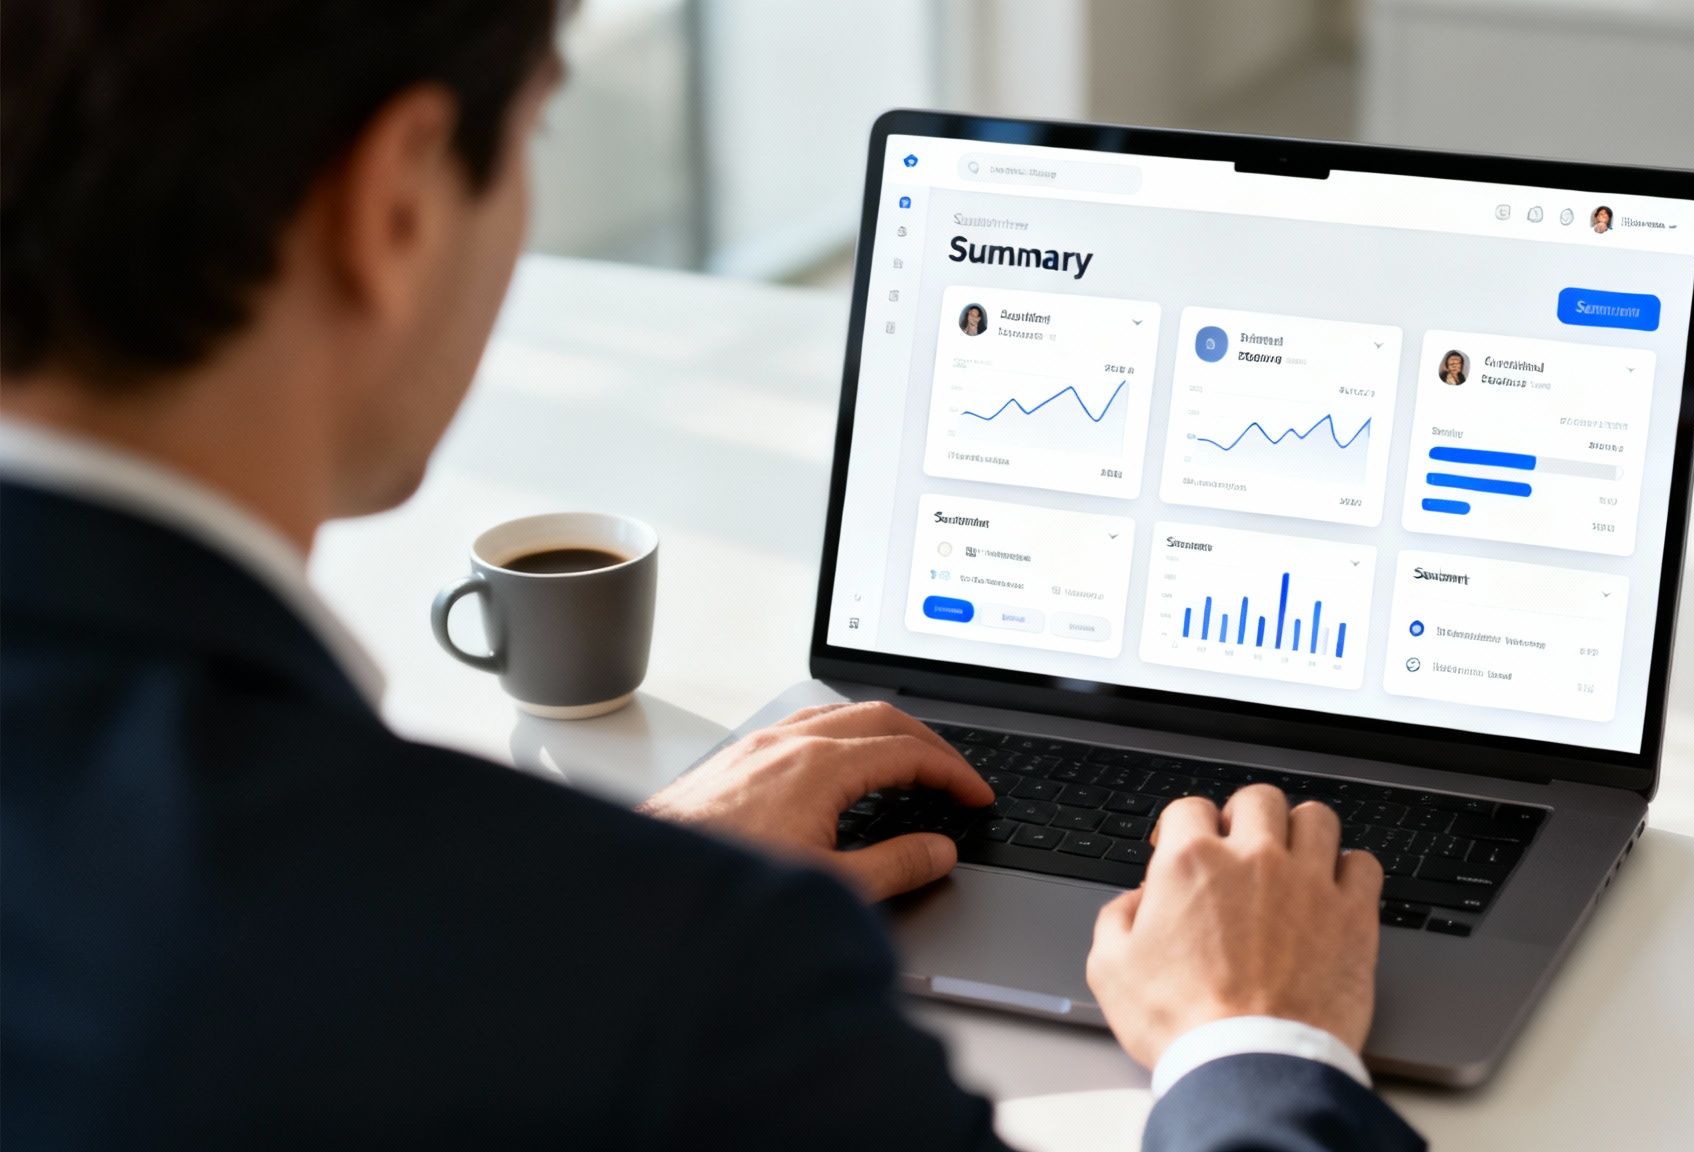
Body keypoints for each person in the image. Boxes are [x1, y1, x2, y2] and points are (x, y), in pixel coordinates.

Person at [0, 4, 1422, 1151]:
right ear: (394, 200)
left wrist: (578, 903)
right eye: (540, 127)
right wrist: (1253, 1041)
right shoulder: (703, 995)